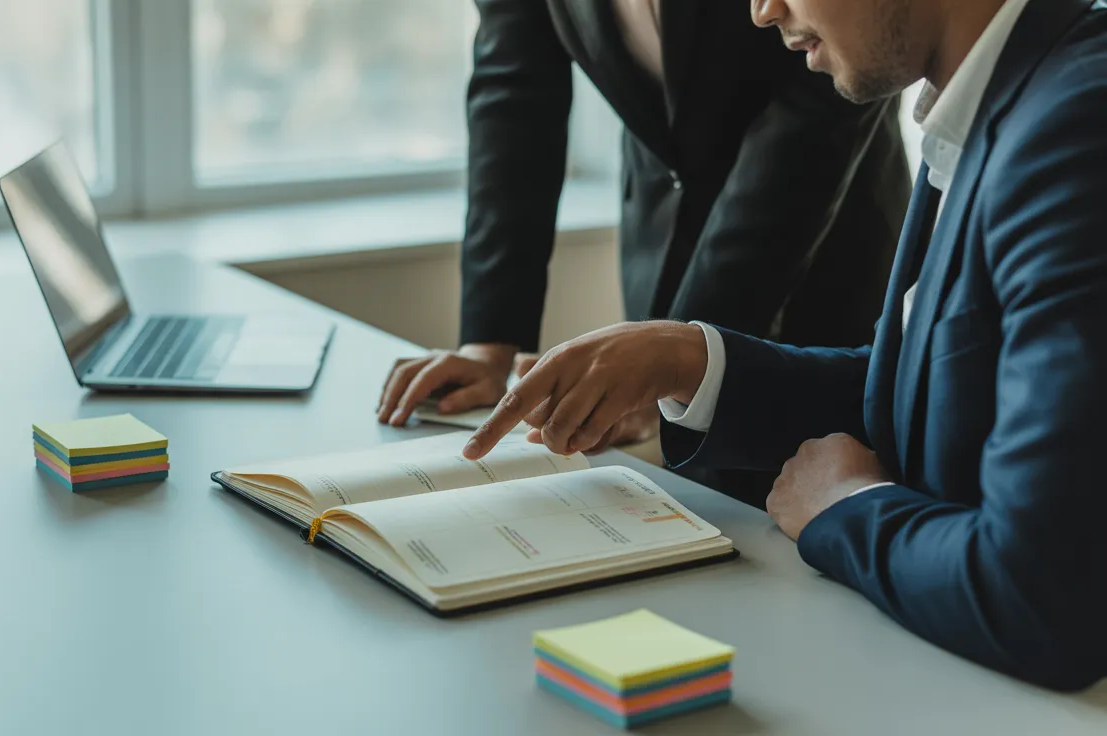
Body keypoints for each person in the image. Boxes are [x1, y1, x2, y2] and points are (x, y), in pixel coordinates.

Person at [462, 0, 1107, 691]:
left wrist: (845, 510)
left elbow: (1044, 599)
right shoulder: (981, 104)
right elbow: (928, 390)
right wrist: (689, 361)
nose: (762, 10)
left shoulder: (1076, 129)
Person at [377, 0, 911, 472]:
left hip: (829, 254)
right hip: (659, 243)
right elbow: (514, 89)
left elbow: (821, 107)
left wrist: (674, 362)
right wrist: (489, 346)